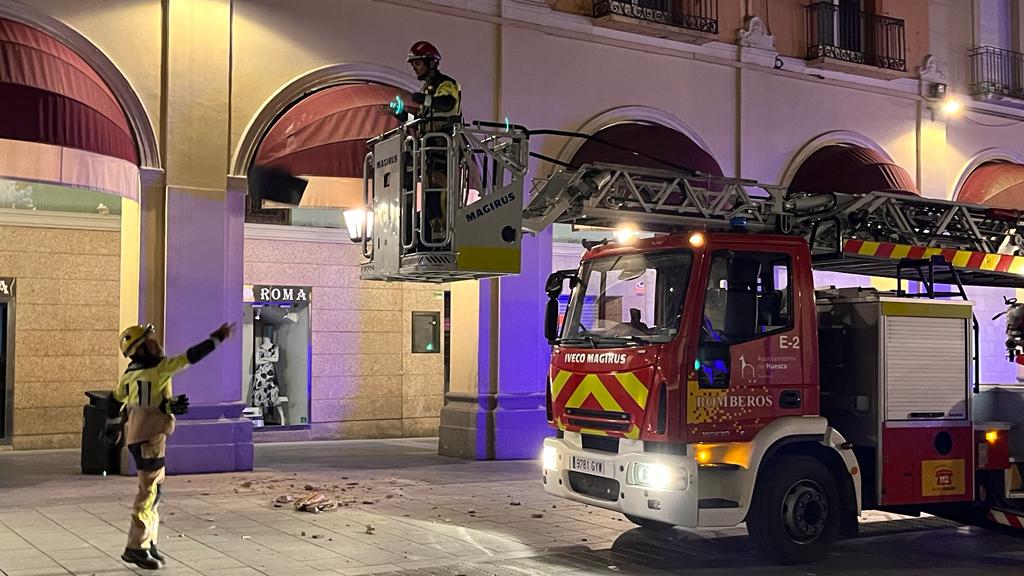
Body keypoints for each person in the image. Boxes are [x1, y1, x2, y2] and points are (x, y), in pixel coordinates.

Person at [112, 321, 234, 570]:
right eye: (151, 341)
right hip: (150, 437)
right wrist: (216, 338)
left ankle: (150, 541)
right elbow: (189, 358)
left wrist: (111, 427)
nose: (157, 344)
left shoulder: (130, 374)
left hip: (141, 436)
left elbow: (119, 401)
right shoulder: (157, 370)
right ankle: (136, 547)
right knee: (148, 494)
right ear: (141, 349)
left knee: (154, 492)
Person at [400, 41, 462, 246]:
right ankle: (433, 234)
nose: (415, 68)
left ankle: (445, 239)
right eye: (413, 65)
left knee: (444, 198)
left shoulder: (446, 84)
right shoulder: (427, 90)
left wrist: (423, 99)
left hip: (445, 153)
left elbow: (447, 103)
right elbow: (420, 121)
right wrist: (401, 114)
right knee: (431, 198)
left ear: (431, 63)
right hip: (430, 155)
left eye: (417, 64)